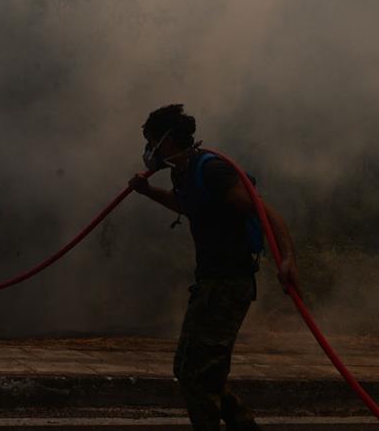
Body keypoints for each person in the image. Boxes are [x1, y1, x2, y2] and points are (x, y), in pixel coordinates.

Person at [127, 104, 300, 431]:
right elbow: (186, 205)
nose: (148, 152)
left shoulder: (213, 171)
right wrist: (148, 192)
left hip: (229, 285)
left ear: (167, 141)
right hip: (208, 283)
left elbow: (266, 213)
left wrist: (287, 258)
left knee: (199, 376)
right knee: (188, 368)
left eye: (151, 142)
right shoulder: (183, 172)